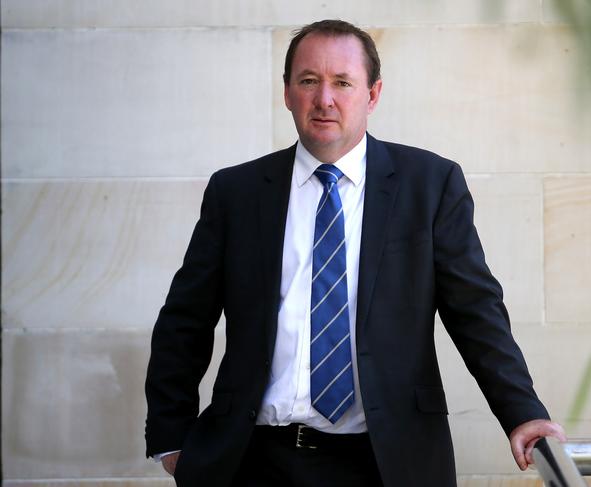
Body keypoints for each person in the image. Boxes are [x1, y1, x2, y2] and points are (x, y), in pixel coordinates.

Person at [145, 19, 565, 487]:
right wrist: (171, 437)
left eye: (342, 82)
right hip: (253, 460)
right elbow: (184, 321)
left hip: (387, 462)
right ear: (287, 92)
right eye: (309, 81)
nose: (325, 99)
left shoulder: (429, 184)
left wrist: (522, 413)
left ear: (373, 94)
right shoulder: (237, 192)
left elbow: (476, 313)